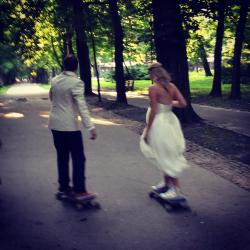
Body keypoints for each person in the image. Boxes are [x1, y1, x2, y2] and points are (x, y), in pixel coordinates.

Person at [48, 55, 97, 200]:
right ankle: (80, 190)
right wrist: (90, 126)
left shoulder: (55, 80)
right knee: (78, 158)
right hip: (69, 126)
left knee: (62, 157)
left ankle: (63, 188)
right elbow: (82, 106)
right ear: (76, 67)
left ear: (63, 66)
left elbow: (51, 96)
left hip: (55, 124)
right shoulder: (76, 83)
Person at [140, 62, 189, 201]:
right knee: (165, 152)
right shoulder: (171, 86)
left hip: (159, 124)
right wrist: (169, 103)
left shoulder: (153, 88)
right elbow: (183, 103)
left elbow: (154, 110)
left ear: (153, 74)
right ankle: (166, 183)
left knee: (165, 155)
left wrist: (147, 130)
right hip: (171, 122)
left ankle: (176, 190)